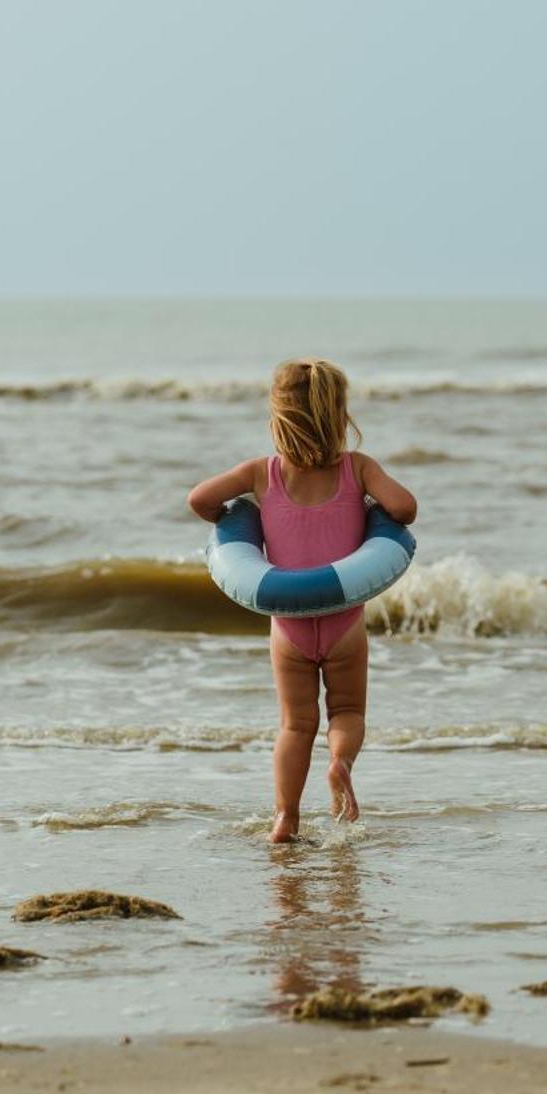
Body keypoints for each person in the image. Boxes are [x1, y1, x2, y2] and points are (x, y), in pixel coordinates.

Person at [189, 359, 417, 844]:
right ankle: (339, 763)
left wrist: (232, 516)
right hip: (344, 625)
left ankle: (285, 819)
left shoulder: (261, 472)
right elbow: (405, 509)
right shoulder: (358, 468)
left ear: (278, 417)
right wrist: (370, 504)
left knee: (295, 725)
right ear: (340, 415)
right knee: (348, 712)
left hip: (288, 629)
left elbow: (199, 499)